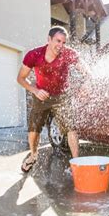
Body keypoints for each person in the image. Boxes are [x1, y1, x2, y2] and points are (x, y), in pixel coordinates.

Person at [17, 26, 81, 172]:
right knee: (34, 130)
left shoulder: (68, 54)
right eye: (58, 41)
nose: (61, 45)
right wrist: (35, 90)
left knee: (71, 129)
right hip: (41, 96)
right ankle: (33, 156)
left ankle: (76, 164)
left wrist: (88, 80)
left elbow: (84, 69)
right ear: (49, 39)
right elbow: (20, 78)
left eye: (64, 42)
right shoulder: (34, 55)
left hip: (62, 96)